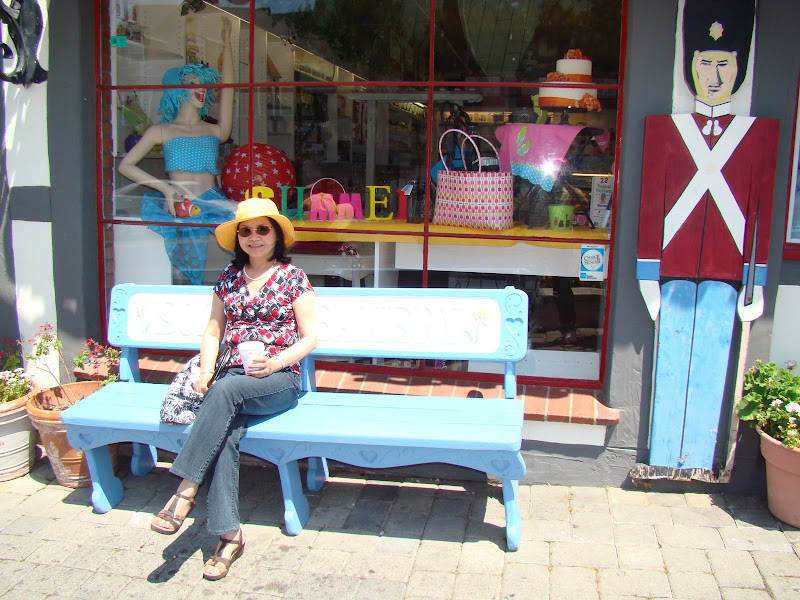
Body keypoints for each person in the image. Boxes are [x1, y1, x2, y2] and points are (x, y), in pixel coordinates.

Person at [636, 0, 778, 470]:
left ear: (739, 68)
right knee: (671, 360)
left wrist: (756, 282)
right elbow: (651, 207)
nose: (713, 76)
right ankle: (663, 457)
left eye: (724, 63)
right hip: (673, 269)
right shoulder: (665, 132)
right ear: (689, 66)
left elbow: (760, 214)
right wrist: (647, 274)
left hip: (727, 271)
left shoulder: (758, 136)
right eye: (703, 63)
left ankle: (698, 458)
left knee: (713, 362)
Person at [149, 196, 317, 581]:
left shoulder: (294, 277)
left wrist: (275, 363)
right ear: (238, 237)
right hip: (231, 377)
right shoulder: (228, 278)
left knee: (223, 393)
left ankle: (185, 491)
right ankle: (229, 536)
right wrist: (205, 371)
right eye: (246, 230)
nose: (254, 237)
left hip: (278, 380)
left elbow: (310, 338)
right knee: (224, 431)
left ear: (276, 235)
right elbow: (213, 331)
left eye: (262, 229)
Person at [118, 18, 236, 284]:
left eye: (203, 83)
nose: (201, 88)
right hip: (181, 207)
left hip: (213, 207)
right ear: (178, 89)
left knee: (226, 268)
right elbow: (126, 165)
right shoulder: (161, 130)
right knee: (183, 277)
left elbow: (229, 90)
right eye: (194, 82)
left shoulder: (215, 130)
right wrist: (164, 188)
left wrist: (227, 44)